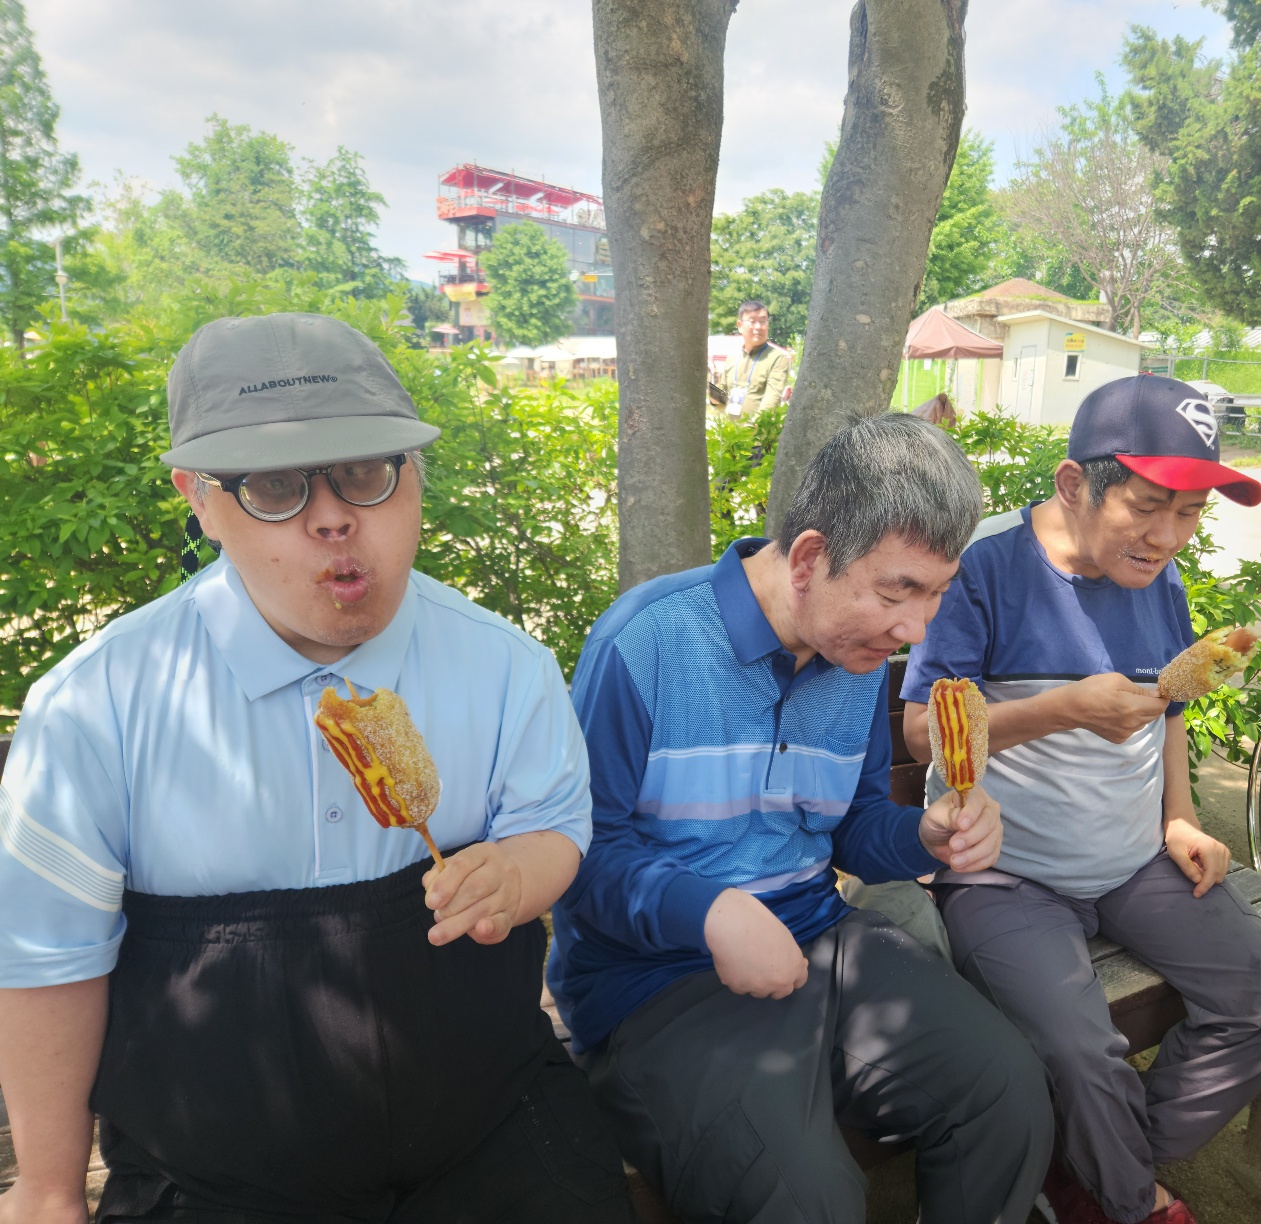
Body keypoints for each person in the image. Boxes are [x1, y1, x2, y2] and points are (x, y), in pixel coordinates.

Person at [0, 313, 633, 1224]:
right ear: (199, 499)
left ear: (415, 477)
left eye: (367, 472)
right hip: (211, 1175)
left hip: (490, 1133)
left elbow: (556, 827)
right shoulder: (96, 705)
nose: (333, 516)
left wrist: (519, 873)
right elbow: (48, 962)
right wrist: (49, 1188)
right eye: (275, 486)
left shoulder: (504, 666)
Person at [547, 414, 1054, 1224]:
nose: (915, 630)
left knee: (1008, 1090)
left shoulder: (856, 656)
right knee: (802, 1196)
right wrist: (711, 912)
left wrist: (924, 836)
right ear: (811, 558)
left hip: (822, 937)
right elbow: (578, 852)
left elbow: (852, 823)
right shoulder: (646, 642)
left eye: (936, 593)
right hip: (653, 982)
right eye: (896, 591)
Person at [901, 375, 1261, 1224]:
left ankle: (1089, 1169)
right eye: (1147, 506)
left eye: (1190, 513)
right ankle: (1132, 1201)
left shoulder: (1159, 578)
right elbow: (919, 735)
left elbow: (1171, 712)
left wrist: (1179, 817)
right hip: (1005, 874)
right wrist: (1062, 710)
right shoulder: (982, 567)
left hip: (1135, 861)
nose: (1167, 537)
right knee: (1081, 1051)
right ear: (1072, 483)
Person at [710, 299, 792, 418]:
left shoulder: (777, 358)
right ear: (740, 325)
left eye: (763, 321)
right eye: (752, 321)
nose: (758, 327)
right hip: (730, 429)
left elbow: (771, 400)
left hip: (760, 429)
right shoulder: (732, 358)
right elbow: (721, 401)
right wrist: (709, 392)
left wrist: (754, 426)